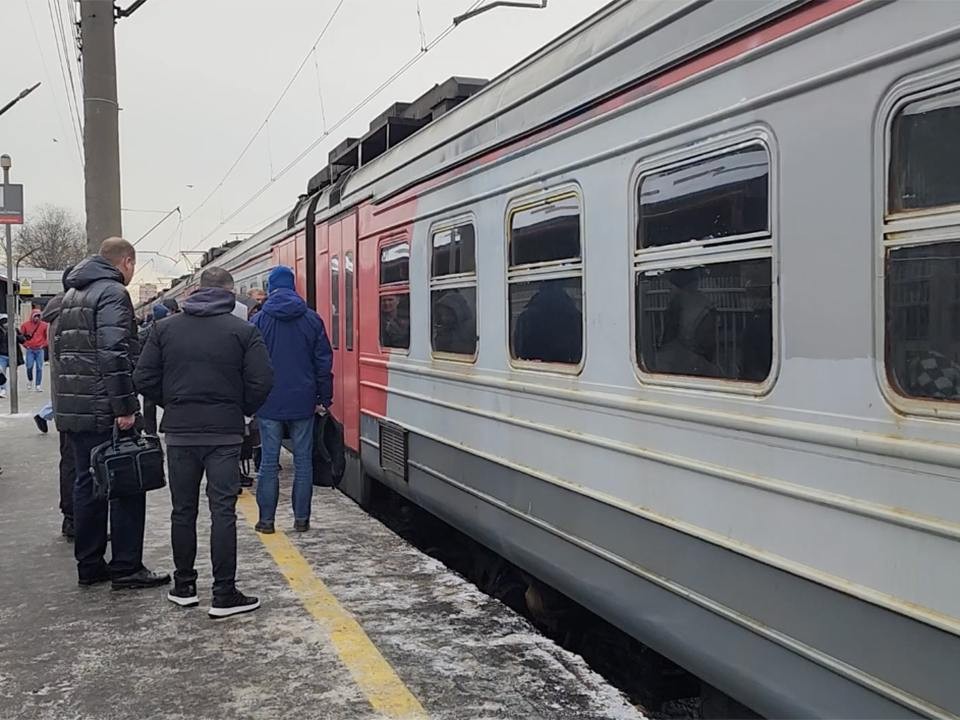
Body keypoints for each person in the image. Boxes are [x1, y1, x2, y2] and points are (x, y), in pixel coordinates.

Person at [135, 266, 273, 617]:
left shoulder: (164, 328)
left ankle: (184, 587)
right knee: (222, 511)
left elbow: (144, 377)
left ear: (195, 292)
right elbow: (261, 382)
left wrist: (175, 402)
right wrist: (239, 409)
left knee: (183, 510)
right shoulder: (244, 331)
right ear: (229, 293)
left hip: (181, 433)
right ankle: (224, 594)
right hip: (224, 434)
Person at [55, 237, 170, 589]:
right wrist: (125, 407)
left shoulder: (73, 294)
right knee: (126, 485)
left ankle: (89, 565)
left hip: (76, 409)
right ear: (128, 262)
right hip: (104, 409)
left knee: (87, 483)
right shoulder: (113, 293)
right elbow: (114, 353)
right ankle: (126, 567)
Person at [252, 265, 332, 534]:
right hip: (303, 400)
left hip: (269, 401)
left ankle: (266, 522)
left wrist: (251, 397)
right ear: (293, 286)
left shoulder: (259, 321)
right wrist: (325, 397)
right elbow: (323, 362)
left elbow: (251, 364)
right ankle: (301, 520)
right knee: (303, 462)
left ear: (270, 288)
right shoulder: (312, 319)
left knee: (268, 462)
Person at [40, 266, 76, 539]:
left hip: (66, 401)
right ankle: (76, 519)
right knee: (78, 464)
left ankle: (72, 517)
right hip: (79, 403)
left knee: (70, 462)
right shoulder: (70, 315)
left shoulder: (55, 314)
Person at [137, 304, 170, 435]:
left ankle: (152, 431)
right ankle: (155, 429)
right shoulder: (166, 329)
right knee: (158, 402)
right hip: (159, 372)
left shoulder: (146, 331)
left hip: (153, 372)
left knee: (149, 404)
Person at [20, 305, 49, 392]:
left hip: (40, 349)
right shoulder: (25, 325)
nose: (36, 318)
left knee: (39, 368)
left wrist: (44, 344)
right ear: (32, 316)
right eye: (35, 316)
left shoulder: (44, 325)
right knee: (29, 366)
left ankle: (38, 385)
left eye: (38, 316)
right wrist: (26, 345)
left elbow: (47, 336)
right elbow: (21, 337)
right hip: (30, 349)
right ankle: (30, 380)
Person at [0, 314, 24, 398]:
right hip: (2, 355)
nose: (6, 324)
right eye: (3, 322)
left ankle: (14, 388)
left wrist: (15, 334)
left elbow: (22, 340)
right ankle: (3, 389)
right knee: (1, 372)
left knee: (13, 373)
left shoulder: (15, 330)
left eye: (7, 322)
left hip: (13, 355)